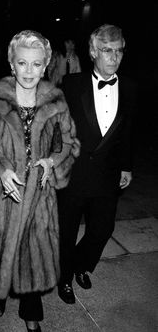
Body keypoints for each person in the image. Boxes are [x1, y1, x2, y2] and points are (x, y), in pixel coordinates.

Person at [0, 30, 79, 332]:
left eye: (36, 64)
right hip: (3, 196)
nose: (29, 71)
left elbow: (68, 142)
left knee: (33, 253)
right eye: (22, 63)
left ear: (46, 65)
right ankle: (0, 292)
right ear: (12, 64)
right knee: (4, 249)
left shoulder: (54, 99)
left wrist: (52, 162)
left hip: (39, 194)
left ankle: (31, 310)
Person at [57, 24, 137, 304]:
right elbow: (58, 127)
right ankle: (64, 278)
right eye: (107, 51)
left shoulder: (129, 87)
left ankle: (80, 264)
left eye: (118, 51)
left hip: (107, 174)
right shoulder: (71, 84)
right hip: (75, 173)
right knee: (66, 230)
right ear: (93, 52)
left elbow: (126, 132)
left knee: (102, 229)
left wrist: (126, 165)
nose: (114, 58)